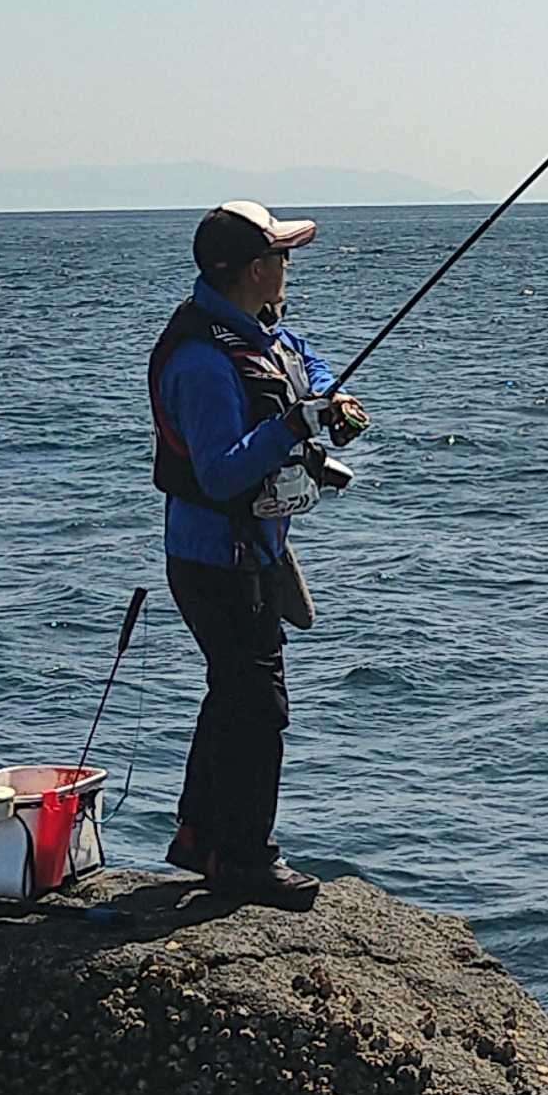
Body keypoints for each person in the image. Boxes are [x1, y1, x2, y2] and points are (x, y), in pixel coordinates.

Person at [147, 201, 370, 909]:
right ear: (254, 269)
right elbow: (218, 472)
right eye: (281, 255)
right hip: (215, 561)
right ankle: (245, 858)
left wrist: (330, 403)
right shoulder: (203, 363)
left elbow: (307, 361)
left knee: (233, 692)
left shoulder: (259, 333)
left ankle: (199, 835)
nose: (288, 266)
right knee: (259, 706)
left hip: (254, 551)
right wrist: (289, 429)